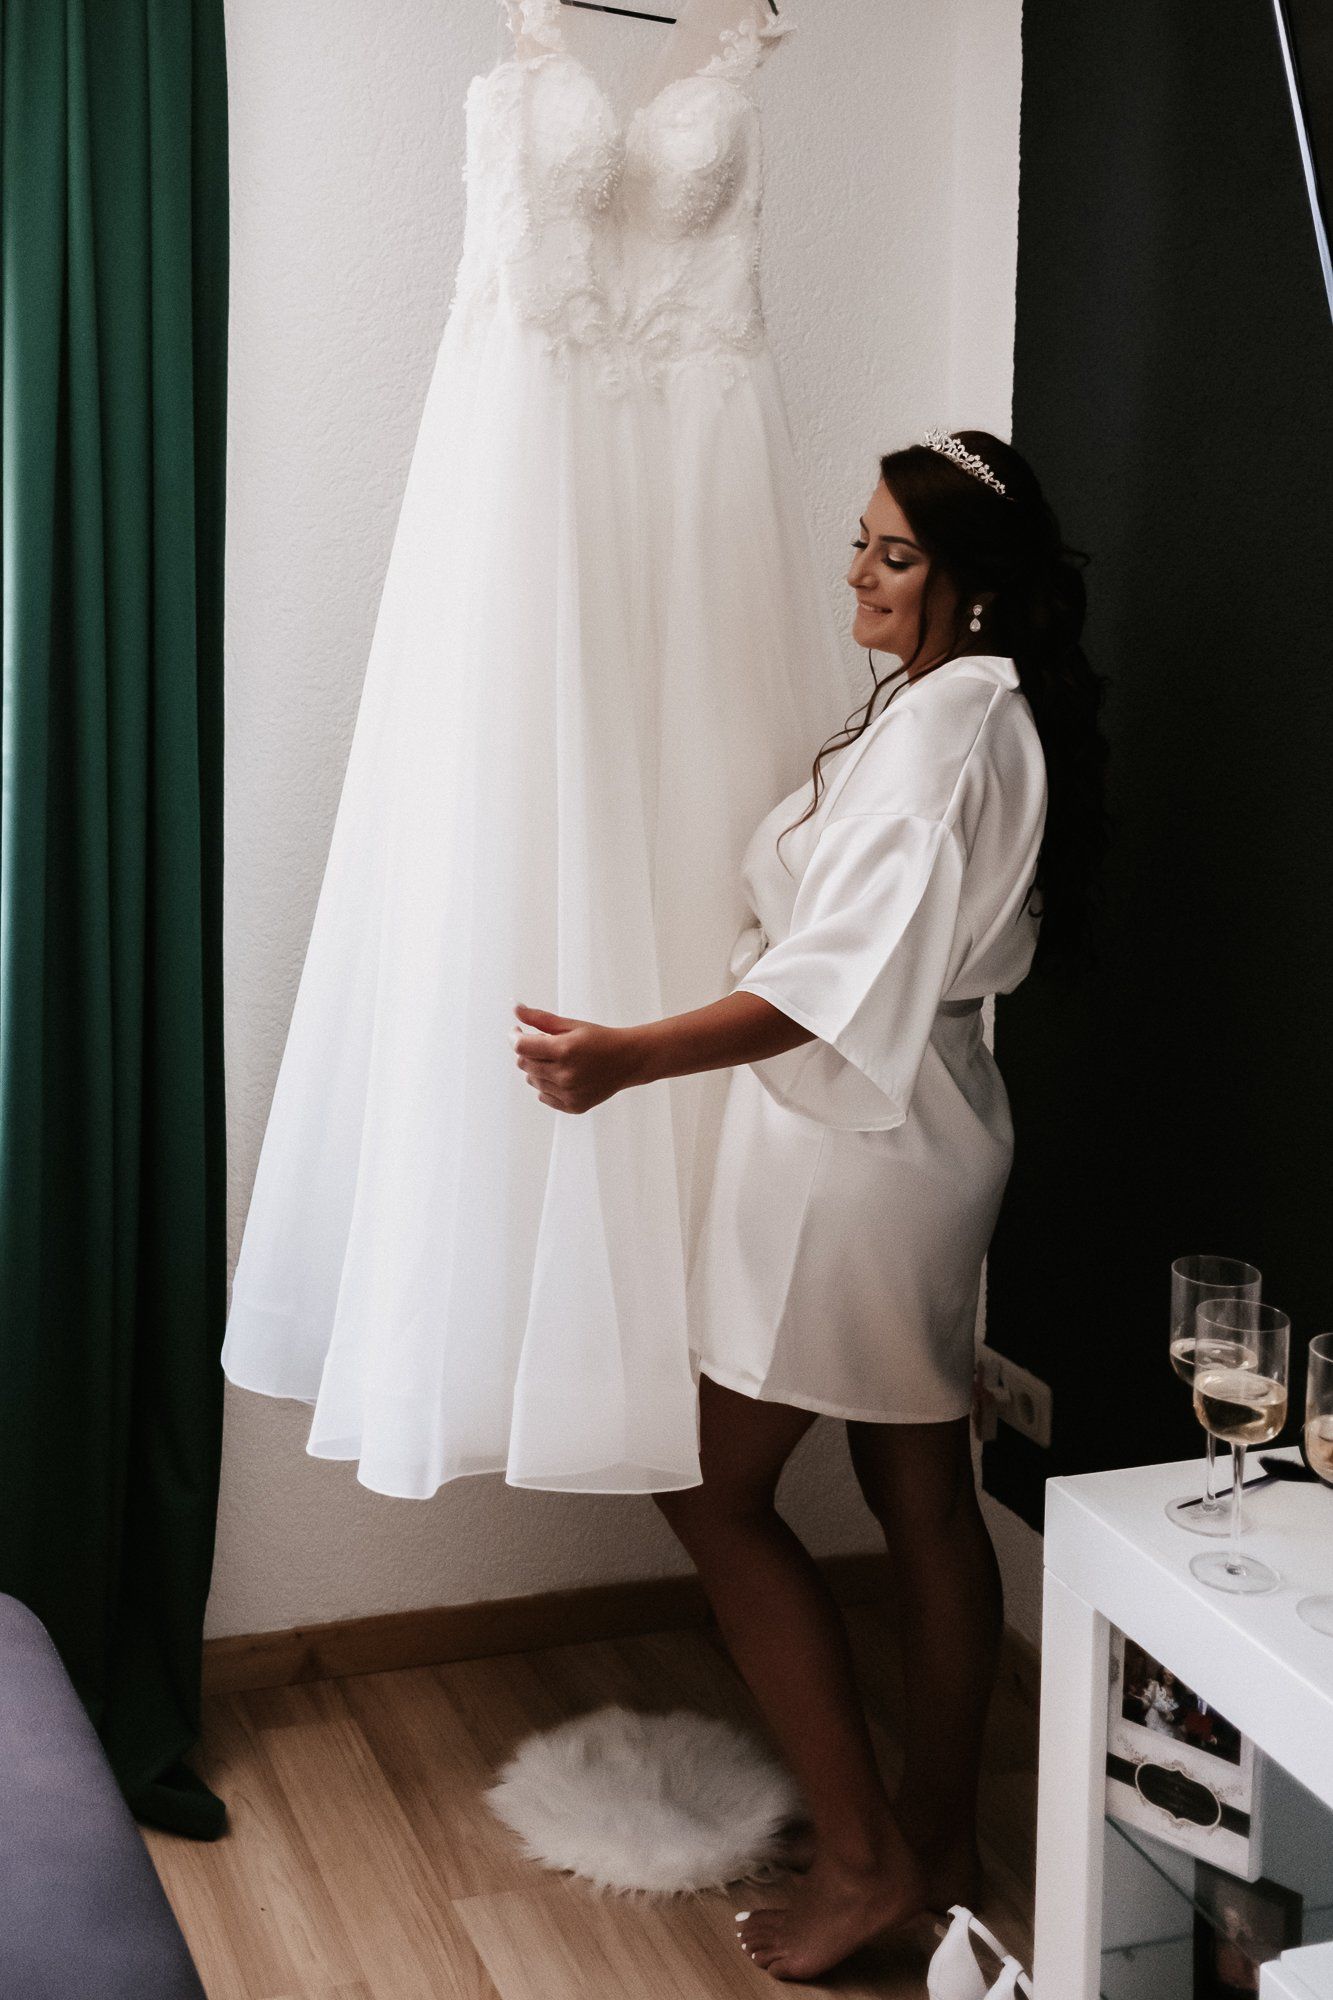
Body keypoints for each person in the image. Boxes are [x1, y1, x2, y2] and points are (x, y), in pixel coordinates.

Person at [512, 428, 1109, 1982]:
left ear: (973, 584)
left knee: (714, 1496)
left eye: (892, 554)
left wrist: (630, 1056)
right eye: (860, 540)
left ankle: (861, 1860)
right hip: (924, 1127)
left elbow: (830, 980)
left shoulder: (945, 733)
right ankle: (933, 1839)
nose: (856, 572)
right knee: (920, 1490)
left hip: (852, 1150)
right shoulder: (964, 707)